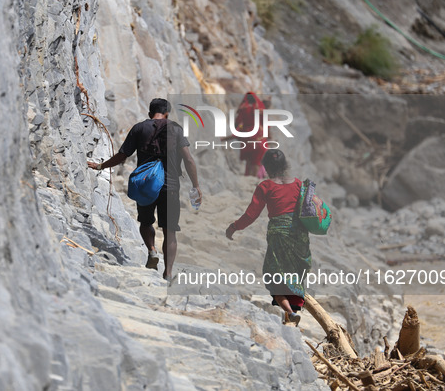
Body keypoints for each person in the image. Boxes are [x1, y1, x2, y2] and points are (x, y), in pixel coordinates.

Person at [88, 98, 202, 281]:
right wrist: (196, 186)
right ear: (167, 113)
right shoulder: (176, 129)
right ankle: (169, 273)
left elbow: (122, 155)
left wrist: (101, 166)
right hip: (170, 186)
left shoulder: (140, 128)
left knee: (146, 222)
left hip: (145, 184)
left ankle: (151, 250)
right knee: (170, 231)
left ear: (150, 113)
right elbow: (188, 159)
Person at [225, 149, 311, 326]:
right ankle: (292, 313)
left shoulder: (265, 186)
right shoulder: (298, 184)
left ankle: (289, 312)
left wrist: (234, 227)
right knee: (295, 273)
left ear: (265, 167)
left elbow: (251, 214)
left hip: (279, 234)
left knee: (273, 275)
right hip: (300, 235)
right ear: (285, 164)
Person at [222, 92, 270, 177]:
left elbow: (238, 123)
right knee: (256, 160)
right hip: (259, 136)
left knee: (249, 160)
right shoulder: (260, 110)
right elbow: (266, 124)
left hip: (247, 136)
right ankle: (254, 179)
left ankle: (248, 177)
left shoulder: (243, 108)